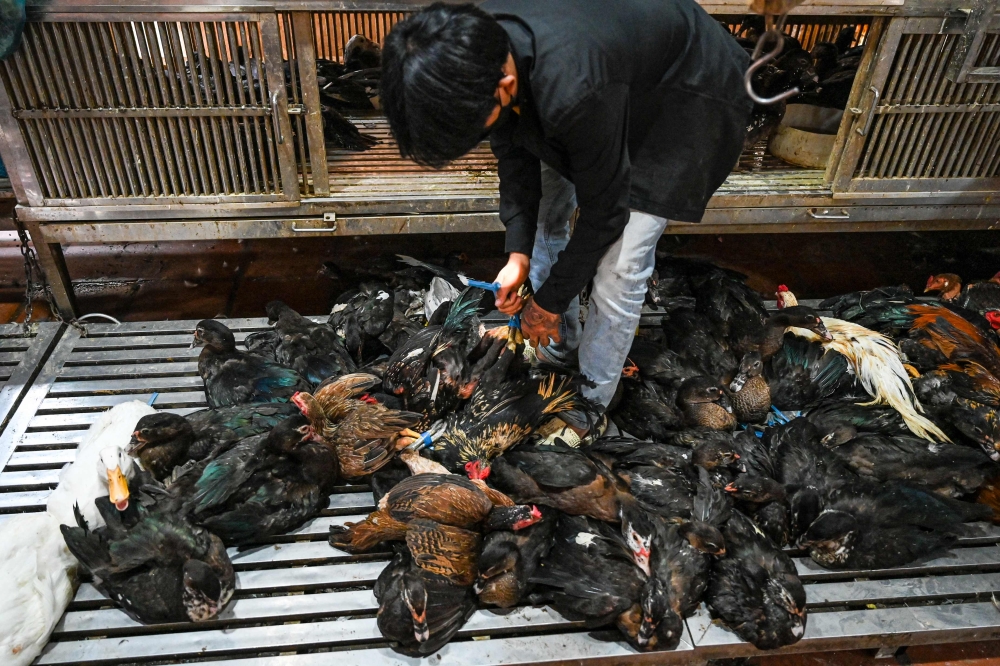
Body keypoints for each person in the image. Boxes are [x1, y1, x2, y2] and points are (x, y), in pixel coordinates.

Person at [380, 0, 752, 434]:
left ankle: (591, 401)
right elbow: (513, 154)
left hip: (684, 89)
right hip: (602, 74)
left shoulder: (573, 88)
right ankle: (560, 344)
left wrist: (549, 301)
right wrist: (517, 256)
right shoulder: (475, 49)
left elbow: (605, 213)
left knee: (621, 262)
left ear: (504, 83)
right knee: (546, 211)